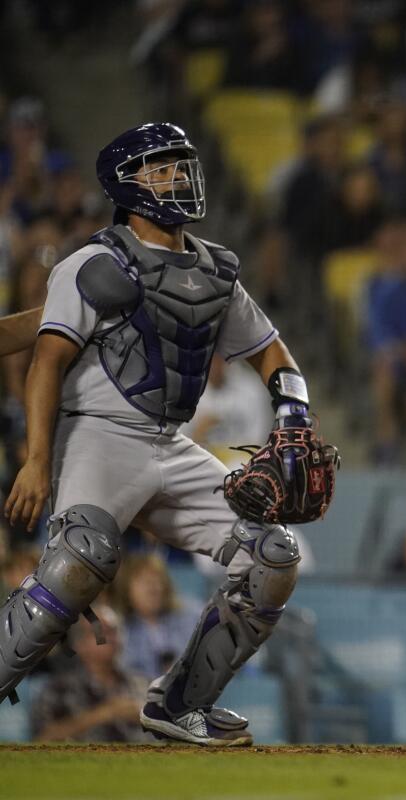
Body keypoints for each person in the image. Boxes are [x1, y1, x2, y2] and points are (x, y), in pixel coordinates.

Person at [0, 123, 330, 746]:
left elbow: (272, 353)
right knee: (79, 564)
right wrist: (36, 459)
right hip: (96, 435)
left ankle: (179, 705)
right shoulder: (92, 261)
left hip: (171, 442)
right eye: (160, 168)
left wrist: (293, 415)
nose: (176, 177)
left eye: (181, 165)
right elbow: (45, 359)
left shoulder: (214, 268)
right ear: (124, 186)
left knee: (273, 556)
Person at [30, 605, 147, 742]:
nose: (111, 638)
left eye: (114, 631)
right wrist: (104, 714)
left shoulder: (143, 685)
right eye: (100, 631)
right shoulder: (58, 691)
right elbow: (42, 740)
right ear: (79, 644)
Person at [110, 553, 200, 680]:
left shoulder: (192, 616)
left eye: (158, 580)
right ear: (127, 589)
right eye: (144, 581)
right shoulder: (121, 628)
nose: (153, 587)